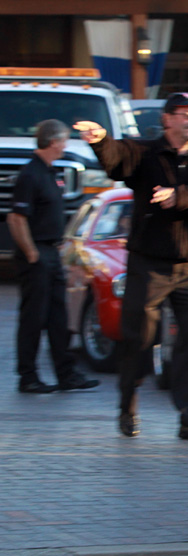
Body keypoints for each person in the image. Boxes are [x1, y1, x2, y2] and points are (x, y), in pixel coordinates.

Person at [74, 91, 188, 441]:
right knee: (137, 340)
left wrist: (176, 197)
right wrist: (100, 141)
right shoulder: (145, 154)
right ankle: (128, 406)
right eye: (186, 114)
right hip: (149, 266)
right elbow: (116, 159)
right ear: (167, 119)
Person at [9, 119, 99, 394]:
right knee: (34, 318)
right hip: (37, 254)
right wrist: (32, 254)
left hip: (51, 252)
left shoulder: (49, 172)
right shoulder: (30, 174)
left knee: (58, 316)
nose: (64, 146)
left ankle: (66, 374)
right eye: (62, 141)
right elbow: (16, 218)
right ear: (51, 142)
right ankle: (28, 377)